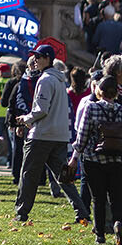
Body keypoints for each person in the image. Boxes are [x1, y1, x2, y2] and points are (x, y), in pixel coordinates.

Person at [69, 76, 122, 245]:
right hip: (119, 160)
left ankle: (100, 234)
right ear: (116, 94)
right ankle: (118, 222)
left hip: (94, 160)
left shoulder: (91, 108)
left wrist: (74, 159)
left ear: (99, 92)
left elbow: (82, 137)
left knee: (98, 198)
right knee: (117, 197)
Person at [13, 45, 77, 222]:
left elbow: (41, 110)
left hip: (41, 135)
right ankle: (82, 210)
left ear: (47, 59)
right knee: (65, 177)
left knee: (28, 175)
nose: (35, 60)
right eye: (34, 57)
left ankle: (21, 212)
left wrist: (26, 119)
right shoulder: (59, 80)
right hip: (59, 136)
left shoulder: (45, 79)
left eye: (39, 57)